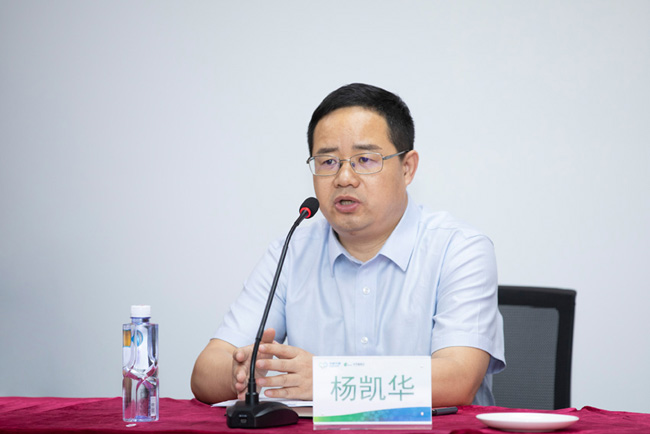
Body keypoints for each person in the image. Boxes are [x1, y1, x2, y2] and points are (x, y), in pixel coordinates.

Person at [191, 83, 505, 406]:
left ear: (407, 168)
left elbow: (457, 379)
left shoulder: (460, 250)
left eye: (365, 159)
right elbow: (204, 373)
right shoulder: (292, 252)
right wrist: (238, 374)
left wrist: (328, 379)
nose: (344, 178)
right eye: (328, 162)